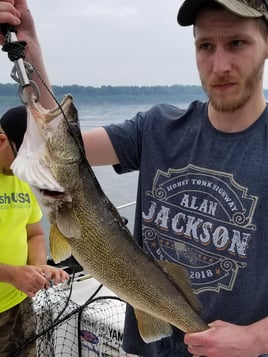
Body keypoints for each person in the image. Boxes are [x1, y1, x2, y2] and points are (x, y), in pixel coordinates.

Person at [3, 0, 268, 356]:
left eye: (237, 43)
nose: (219, 65)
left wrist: (255, 337)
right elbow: (64, 147)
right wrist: (29, 44)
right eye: (206, 45)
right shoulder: (157, 128)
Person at [0, 2, 69, 356]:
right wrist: (13, 273)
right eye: (24, 151)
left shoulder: (22, 177)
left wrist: (39, 267)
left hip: (18, 301)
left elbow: (34, 231)